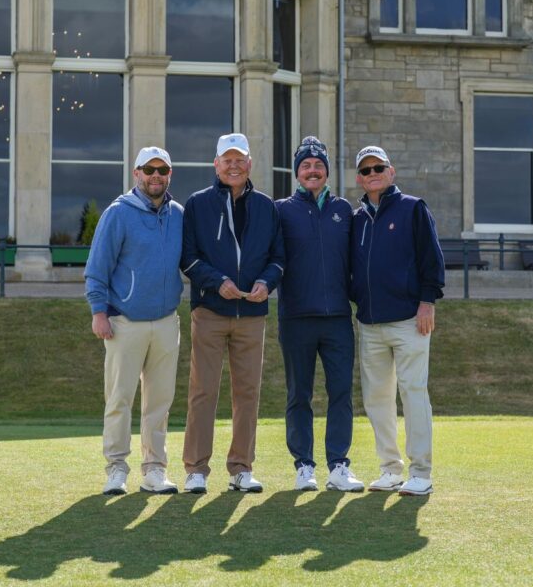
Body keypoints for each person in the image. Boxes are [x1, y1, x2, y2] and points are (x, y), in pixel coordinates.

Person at [180, 132, 285, 494]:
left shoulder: (267, 207)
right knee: (202, 391)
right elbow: (188, 257)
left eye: (240, 158)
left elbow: (278, 259)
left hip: (252, 314)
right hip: (210, 310)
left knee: (248, 393)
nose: (234, 165)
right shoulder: (197, 204)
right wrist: (216, 281)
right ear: (217, 164)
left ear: (250, 164)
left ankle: (241, 468)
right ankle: (196, 469)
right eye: (228, 159)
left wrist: (266, 283)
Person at [84, 146, 184, 496]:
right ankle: (116, 469)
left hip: (167, 322)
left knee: (160, 401)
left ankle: (155, 469)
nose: (156, 175)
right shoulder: (117, 213)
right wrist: (99, 312)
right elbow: (97, 268)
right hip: (124, 322)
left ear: (169, 174)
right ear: (136, 173)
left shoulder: (179, 214)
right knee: (119, 399)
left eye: (162, 169)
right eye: (149, 169)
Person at [350, 145, 445, 496]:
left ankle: (421, 472)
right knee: (377, 398)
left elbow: (431, 259)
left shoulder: (413, 209)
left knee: (413, 393)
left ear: (392, 172)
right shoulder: (357, 219)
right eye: (366, 170)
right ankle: (390, 469)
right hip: (370, 323)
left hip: (410, 319)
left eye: (379, 167)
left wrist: (427, 301)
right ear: (360, 178)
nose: (372, 174)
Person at [275, 136, 364, 492]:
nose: (313, 170)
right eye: (306, 165)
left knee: (341, 392)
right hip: (296, 318)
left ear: (326, 171)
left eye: (318, 165)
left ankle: (338, 465)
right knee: (299, 394)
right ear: (298, 172)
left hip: (338, 319)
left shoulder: (345, 211)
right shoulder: (281, 210)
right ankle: (304, 466)